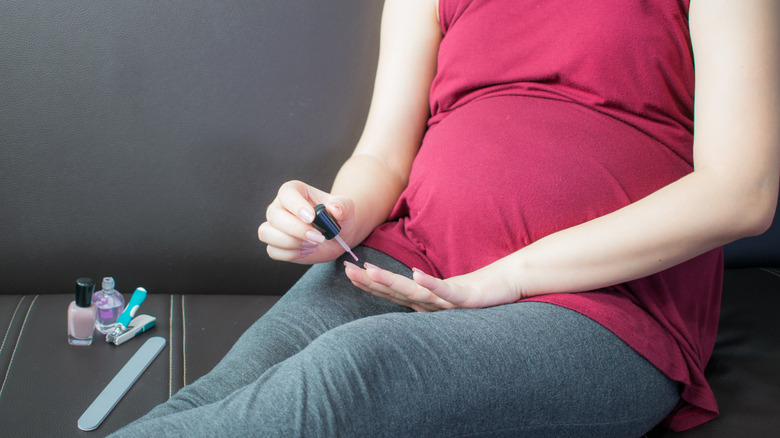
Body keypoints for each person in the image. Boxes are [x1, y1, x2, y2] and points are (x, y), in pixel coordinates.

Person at [112, 0, 779, 436]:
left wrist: (505, 278)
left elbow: (741, 190)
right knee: (205, 402)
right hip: (410, 258)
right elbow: (381, 155)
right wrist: (333, 214)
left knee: (351, 375)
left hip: (605, 307)